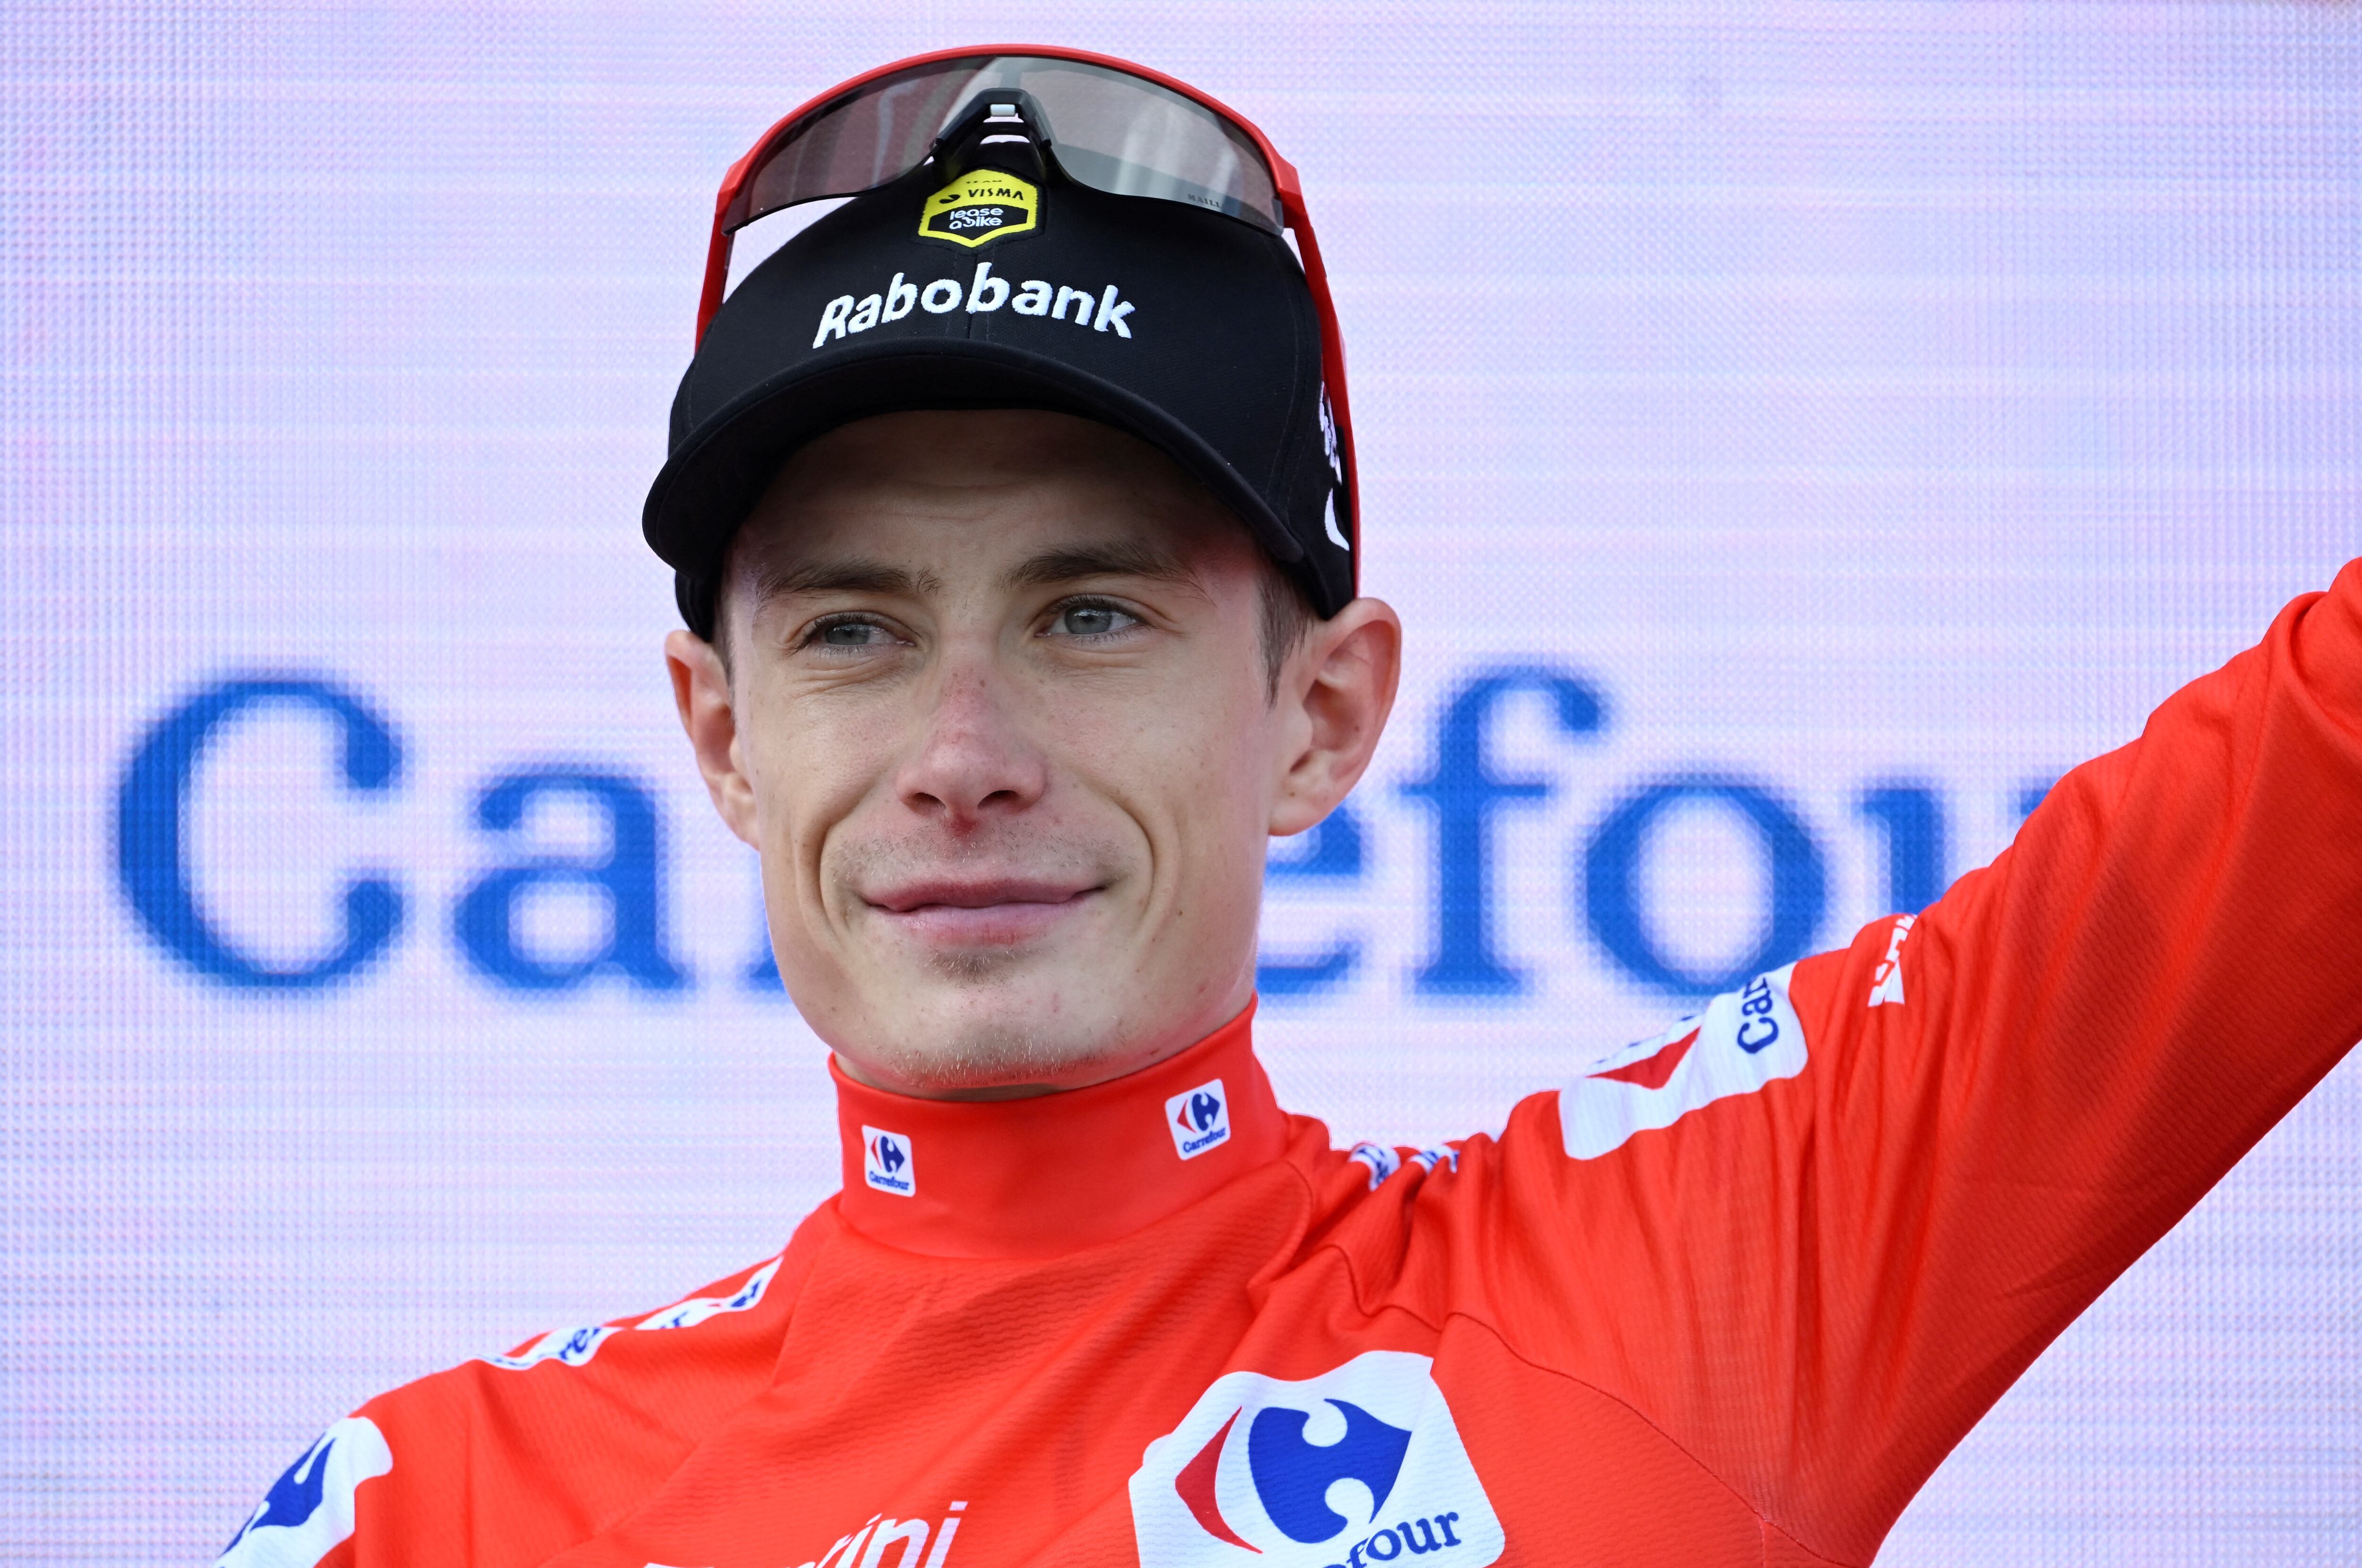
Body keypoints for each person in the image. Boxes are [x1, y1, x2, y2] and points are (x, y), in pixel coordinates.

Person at [217, 48, 2362, 1568]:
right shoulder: (436, 1507)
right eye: (855, 630)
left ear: (1324, 714)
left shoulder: (1676, 1291)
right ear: (720, 736)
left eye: (1090, 613)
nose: (962, 747)